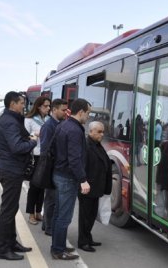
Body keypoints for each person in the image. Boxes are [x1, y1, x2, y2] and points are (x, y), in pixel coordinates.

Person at [0, 91, 38, 261]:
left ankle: (11, 242)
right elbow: (17, 147)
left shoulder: (9, 120)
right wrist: (33, 141)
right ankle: (3, 249)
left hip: (9, 168)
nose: (23, 106)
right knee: (8, 210)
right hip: (10, 169)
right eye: (21, 103)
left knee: (10, 209)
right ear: (12, 104)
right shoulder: (10, 122)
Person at [51, 98, 91, 260]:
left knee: (58, 213)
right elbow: (74, 158)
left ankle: (57, 245)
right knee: (64, 216)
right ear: (80, 112)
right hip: (68, 178)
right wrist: (83, 180)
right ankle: (58, 250)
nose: (89, 117)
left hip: (59, 174)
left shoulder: (63, 125)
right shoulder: (75, 130)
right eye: (88, 113)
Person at [78, 121, 112, 252]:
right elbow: (82, 166)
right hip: (88, 187)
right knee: (85, 216)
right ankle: (83, 241)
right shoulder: (86, 145)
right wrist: (83, 182)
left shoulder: (97, 145)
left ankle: (88, 237)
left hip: (96, 187)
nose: (102, 134)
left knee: (91, 215)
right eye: (99, 132)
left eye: (103, 132)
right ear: (91, 131)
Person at [39, 99, 69, 236]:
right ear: (54, 110)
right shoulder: (48, 126)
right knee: (51, 198)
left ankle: (47, 224)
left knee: (54, 198)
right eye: (63, 110)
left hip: (58, 166)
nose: (65, 112)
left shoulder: (61, 124)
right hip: (51, 167)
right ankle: (49, 226)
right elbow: (45, 149)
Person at [24, 96, 51, 225]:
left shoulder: (49, 119)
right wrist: (35, 135)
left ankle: (39, 211)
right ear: (39, 106)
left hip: (46, 155)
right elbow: (24, 136)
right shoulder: (29, 120)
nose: (48, 108)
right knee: (34, 186)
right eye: (46, 106)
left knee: (42, 186)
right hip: (34, 155)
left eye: (49, 106)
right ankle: (31, 213)